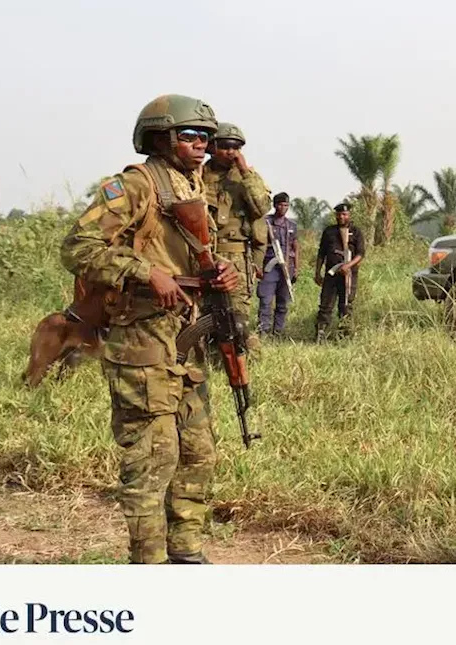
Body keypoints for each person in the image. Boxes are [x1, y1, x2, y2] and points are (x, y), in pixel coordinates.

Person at [59, 94, 241, 564]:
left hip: (185, 335)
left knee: (198, 452)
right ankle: (149, 564)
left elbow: (194, 254)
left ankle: (185, 552)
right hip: (141, 340)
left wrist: (221, 270)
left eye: (206, 137)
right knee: (151, 459)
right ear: (161, 137)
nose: (201, 144)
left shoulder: (191, 185)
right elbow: (78, 248)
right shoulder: (134, 186)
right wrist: (145, 272)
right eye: (190, 136)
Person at [202, 122, 272, 351]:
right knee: (202, 316)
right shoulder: (196, 175)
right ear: (212, 147)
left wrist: (245, 171)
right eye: (225, 146)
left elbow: (262, 207)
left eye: (236, 146)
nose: (231, 151)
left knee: (237, 319)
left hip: (236, 259)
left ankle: (245, 361)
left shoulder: (247, 178)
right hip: (202, 255)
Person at [315, 202, 365, 341]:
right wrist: (317, 273)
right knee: (326, 304)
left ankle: (344, 335)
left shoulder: (356, 232)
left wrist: (348, 265)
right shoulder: (329, 231)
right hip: (331, 275)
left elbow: (360, 254)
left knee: (346, 305)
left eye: (344, 214)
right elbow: (321, 253)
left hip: (349, 275)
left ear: (349, 215)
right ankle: (321, 333)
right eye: (338, 214)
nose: (341, 217)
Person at [257, 192, 298, 337]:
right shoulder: (265, 222)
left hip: (286, 268)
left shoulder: (291, 225)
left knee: (282, 303)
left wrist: (296, 269)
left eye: (286, 205)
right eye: (280, 204)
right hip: (269, 267)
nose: (283, 208)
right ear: (275, 205)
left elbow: (295, 247)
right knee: (266, 301)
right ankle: (263, 332)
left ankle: (278, 332)